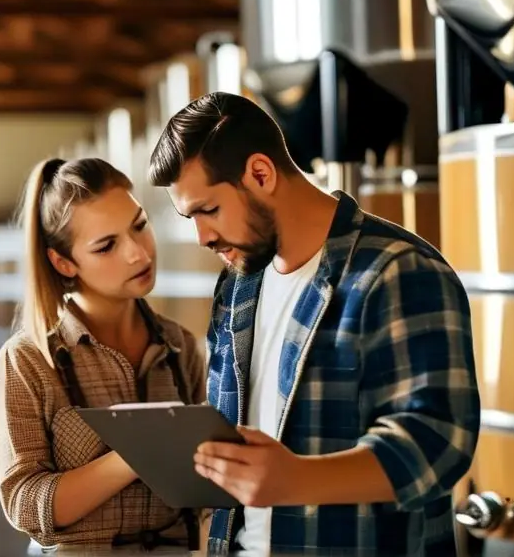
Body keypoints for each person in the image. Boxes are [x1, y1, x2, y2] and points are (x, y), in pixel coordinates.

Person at [148, 92, 481, 556]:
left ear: (260, 174)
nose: (202, 236)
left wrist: (297, 480)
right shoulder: (239, 284)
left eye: (208, 210)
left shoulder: (397, 272)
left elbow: (437, 443)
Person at [0, 157, 207, 552]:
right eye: (107, 246)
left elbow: (207, 493)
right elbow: (25, 504)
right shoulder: (28, 360)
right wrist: (135, 455)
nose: (139, 253)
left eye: (139, 226)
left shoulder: (182, 347)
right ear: (64, 262)